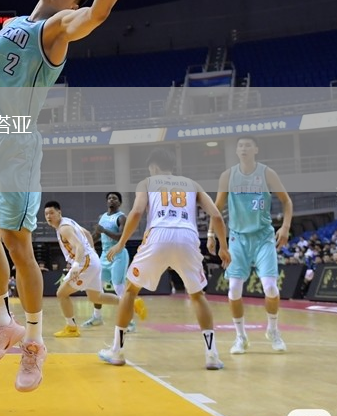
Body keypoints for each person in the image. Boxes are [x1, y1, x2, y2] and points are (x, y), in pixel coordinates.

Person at [0, 0, 134, 391]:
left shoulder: (57, 30)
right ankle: (2, 322)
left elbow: (98, 14)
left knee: (16, 243)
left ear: (73, 4)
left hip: (16, 142)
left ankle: (35, 342)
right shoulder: (15, 23)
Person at [100, 148, 230, 370]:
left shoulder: (147, 183)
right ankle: (212, 355)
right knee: (197, 295)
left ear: (153, 167)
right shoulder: (192, 184)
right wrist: (223, 247)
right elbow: (216, 215)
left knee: (130, 291)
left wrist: (121, 243)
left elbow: (136, 213)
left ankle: (117, 351)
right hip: (187, 237)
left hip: (158, 235)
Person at [208, 136, 294, 355]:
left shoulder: (267, 173)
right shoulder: (228, 176)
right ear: (236, 151)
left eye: (247, 145)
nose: (243, 148)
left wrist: (285, 227)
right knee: (234, 289)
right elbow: (216, 208)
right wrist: (211, 235)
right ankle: (241, 336)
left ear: (256, 149)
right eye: (240, 146)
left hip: (263, 237)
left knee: (270, 288)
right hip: (238, 238)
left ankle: (273, 331)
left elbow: (287, 201)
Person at [42, 202, 124, 338]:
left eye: (51, 213)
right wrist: (92, 251)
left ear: (59, 213)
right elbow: (87, 233)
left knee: (61, 294)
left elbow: (79, 246)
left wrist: (75, 265)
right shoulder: (69, 221)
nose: (48, 216)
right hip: (92, 260)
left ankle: (71, 328)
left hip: (85, 262)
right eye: (46, 214)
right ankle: (129, 303)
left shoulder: (64, 228)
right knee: (96, 297)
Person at [84, 191, 147, 330]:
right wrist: (85, 243)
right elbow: (97, 235)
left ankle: (130, 322)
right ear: (106, 201)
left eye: (115, 198)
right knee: (96, 287)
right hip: (104, 256)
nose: (111, 200)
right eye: (109, 198)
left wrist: (104, 231)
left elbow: (121, 237)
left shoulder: (122, 218)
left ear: (119, 202)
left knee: (119, 288)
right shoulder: (102, 217)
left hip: (118, 255)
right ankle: (97, 317)